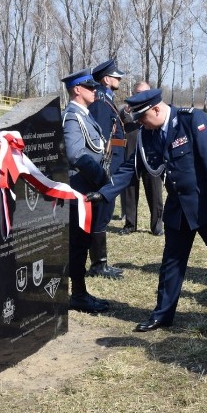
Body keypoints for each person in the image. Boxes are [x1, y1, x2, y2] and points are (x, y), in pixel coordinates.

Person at [87, 89, 207, 331]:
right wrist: (104, 193)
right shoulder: (147, 134)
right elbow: (131, 169)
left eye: (142, 118)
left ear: (156, 109)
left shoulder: (192, 120)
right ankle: (163, 314)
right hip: (178, 208)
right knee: (171, 264)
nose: (140, 123)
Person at [60, 68, 115, 312]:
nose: (95, 90)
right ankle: (78, 294)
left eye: (94, 86)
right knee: (78, 244)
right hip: (78, 191)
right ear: (77, 90)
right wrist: (101, 178)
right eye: (90, 87)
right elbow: (75, 153)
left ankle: (80, 292)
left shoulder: (85, 114)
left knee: (81, 242)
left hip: (86, 190)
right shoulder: (73, 117)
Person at [86, 58, 126, 279]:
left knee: (105, 212)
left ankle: (99, 263)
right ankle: (98, 264)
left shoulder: (105, 98)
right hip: (107, 164)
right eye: (115, 76)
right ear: (105, 79)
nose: (119, 79)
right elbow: (99, 138)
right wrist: (105, 168)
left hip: (113, 161)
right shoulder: (101, 101)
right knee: (102, 212)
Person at [119, 81, 164, 236]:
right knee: (130, 191)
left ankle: (157, 225)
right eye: (138, 93)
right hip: (131, 156)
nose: (141, 96)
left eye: (145, 93)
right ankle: (130, 224)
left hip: (151, 157)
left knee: (155, 191)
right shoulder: (124, 112)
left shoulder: (153, 109)